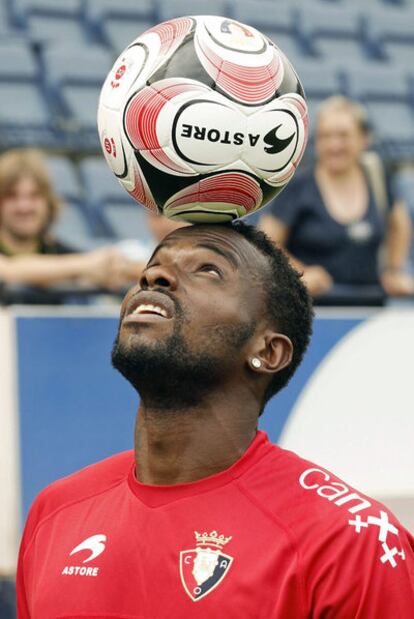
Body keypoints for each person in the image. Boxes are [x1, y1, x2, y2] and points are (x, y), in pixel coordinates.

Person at [17, 222, 414, 617]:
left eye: (208, 269)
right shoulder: (56, 512)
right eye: (152, 266)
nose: (154, 276)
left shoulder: (348, 542)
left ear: (268, 350)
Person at [260, 96, 414, 299]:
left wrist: (394, 270)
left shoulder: (378, 177)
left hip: (372, 304)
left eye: (343, 136)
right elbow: (266, 243)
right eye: (326, 136)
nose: (334, 145)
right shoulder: (299, 185)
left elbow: (399, 223)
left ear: (364, 139)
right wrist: (300, 273)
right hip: (313, 307)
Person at [0, 149, 141, 302]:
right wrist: (86, 265)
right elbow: (8, 271)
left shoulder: (56, 249)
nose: (24, 206)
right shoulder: (78, 262)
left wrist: (113, 265)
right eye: (11, 196)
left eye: (34, 196)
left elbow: (103, 267)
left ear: (48, 203)